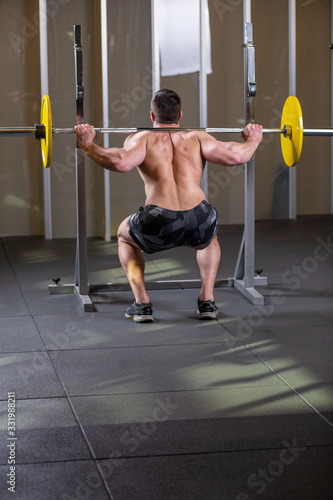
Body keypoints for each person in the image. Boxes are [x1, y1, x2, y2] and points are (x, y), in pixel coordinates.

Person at [75, 89, 263, 323]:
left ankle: (142, 304)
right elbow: (236, 156)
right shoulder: (197, 137)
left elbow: (120, 162)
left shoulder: (141, 138)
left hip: (159, 223)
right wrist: (253, 140)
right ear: (180, 115)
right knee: (209, 237)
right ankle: (207, 301)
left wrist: (88, 145)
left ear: (152, 116)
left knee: (124, 236)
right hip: (199, 218)